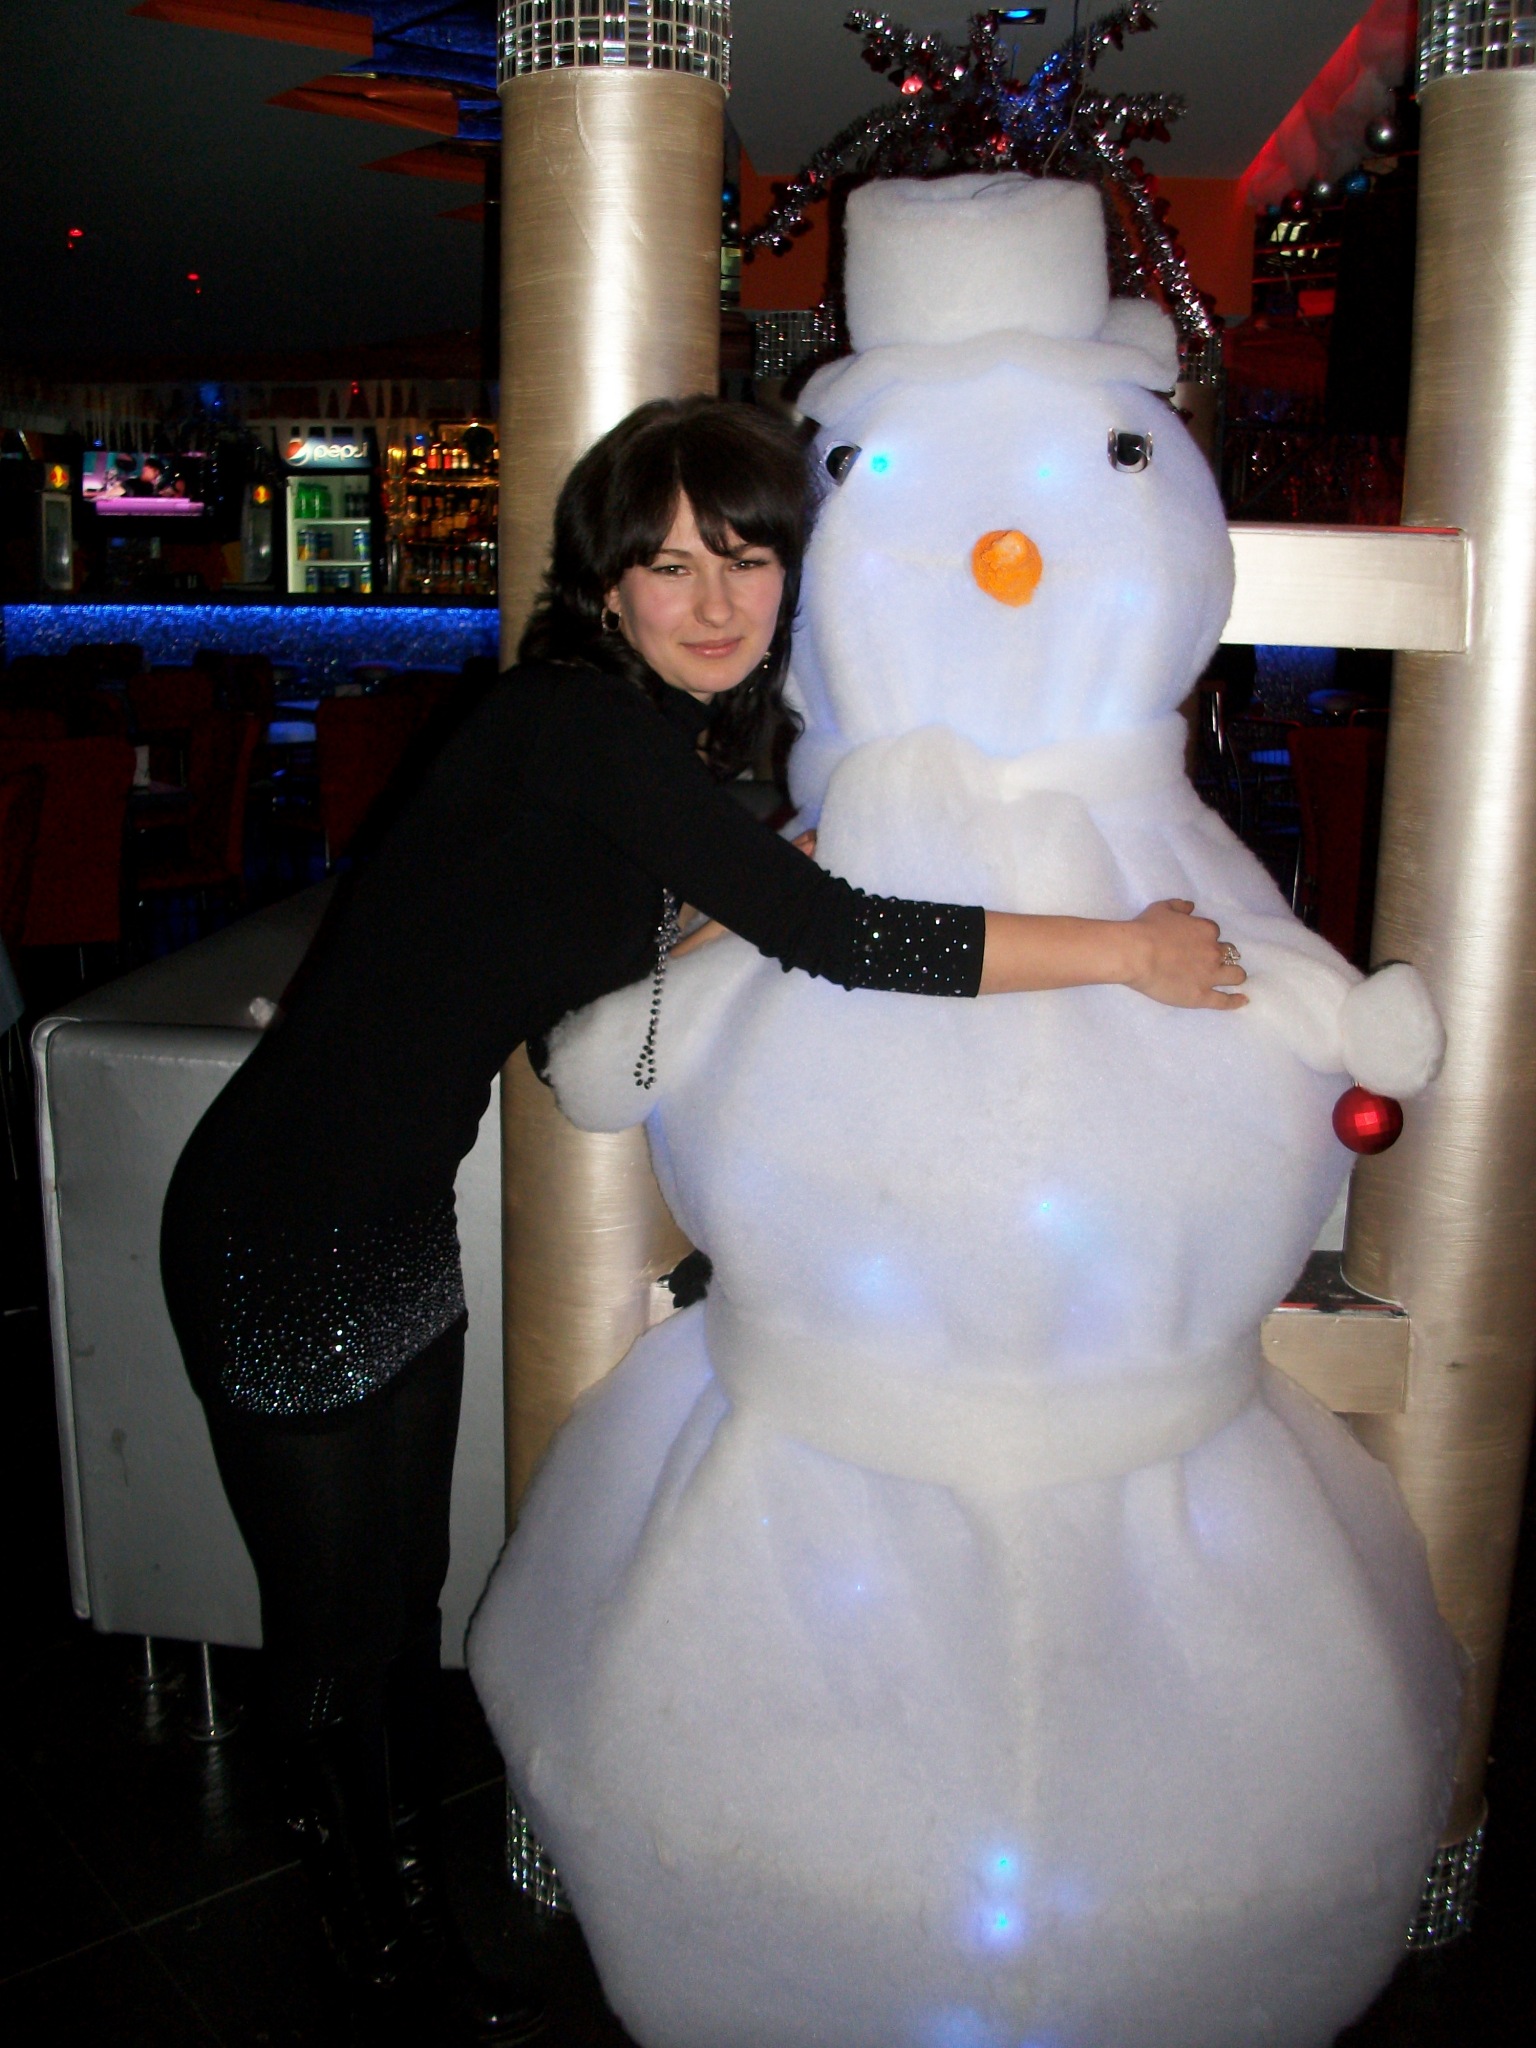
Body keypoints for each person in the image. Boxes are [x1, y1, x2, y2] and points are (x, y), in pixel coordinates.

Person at [159, 396, 1244, 2041]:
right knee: (338, 1630)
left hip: (380, 1217)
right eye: (668, 566)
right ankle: (368, 1949)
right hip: (277, 1222)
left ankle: (399, 1922)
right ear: (606, 587)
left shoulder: (619, 744)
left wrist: (753, 876)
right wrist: (1126, 953)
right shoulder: (572, 722)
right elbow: (844, 939)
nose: (715, 599)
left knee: (398, 1602)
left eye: (745, 557)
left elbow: (591, 939)